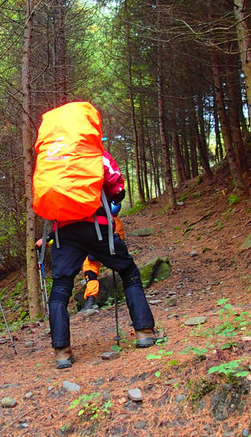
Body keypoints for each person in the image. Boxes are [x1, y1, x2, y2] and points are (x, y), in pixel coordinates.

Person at [47, 149, 163, 369]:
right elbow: (117, 189)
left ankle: (61, 352)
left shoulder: (50, 157)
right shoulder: (93, 151)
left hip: (63, 231)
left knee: (60, 285)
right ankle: (144, 331)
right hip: (95, 226)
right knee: (128, 271)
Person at [79, 213, 125, 313]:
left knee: (90, 273)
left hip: (96, 248)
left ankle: (91, 300)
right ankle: (90, 300)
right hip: (98, 248)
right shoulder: (114, 220)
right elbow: (119, 237)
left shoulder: (112, 220)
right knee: (90, 273)